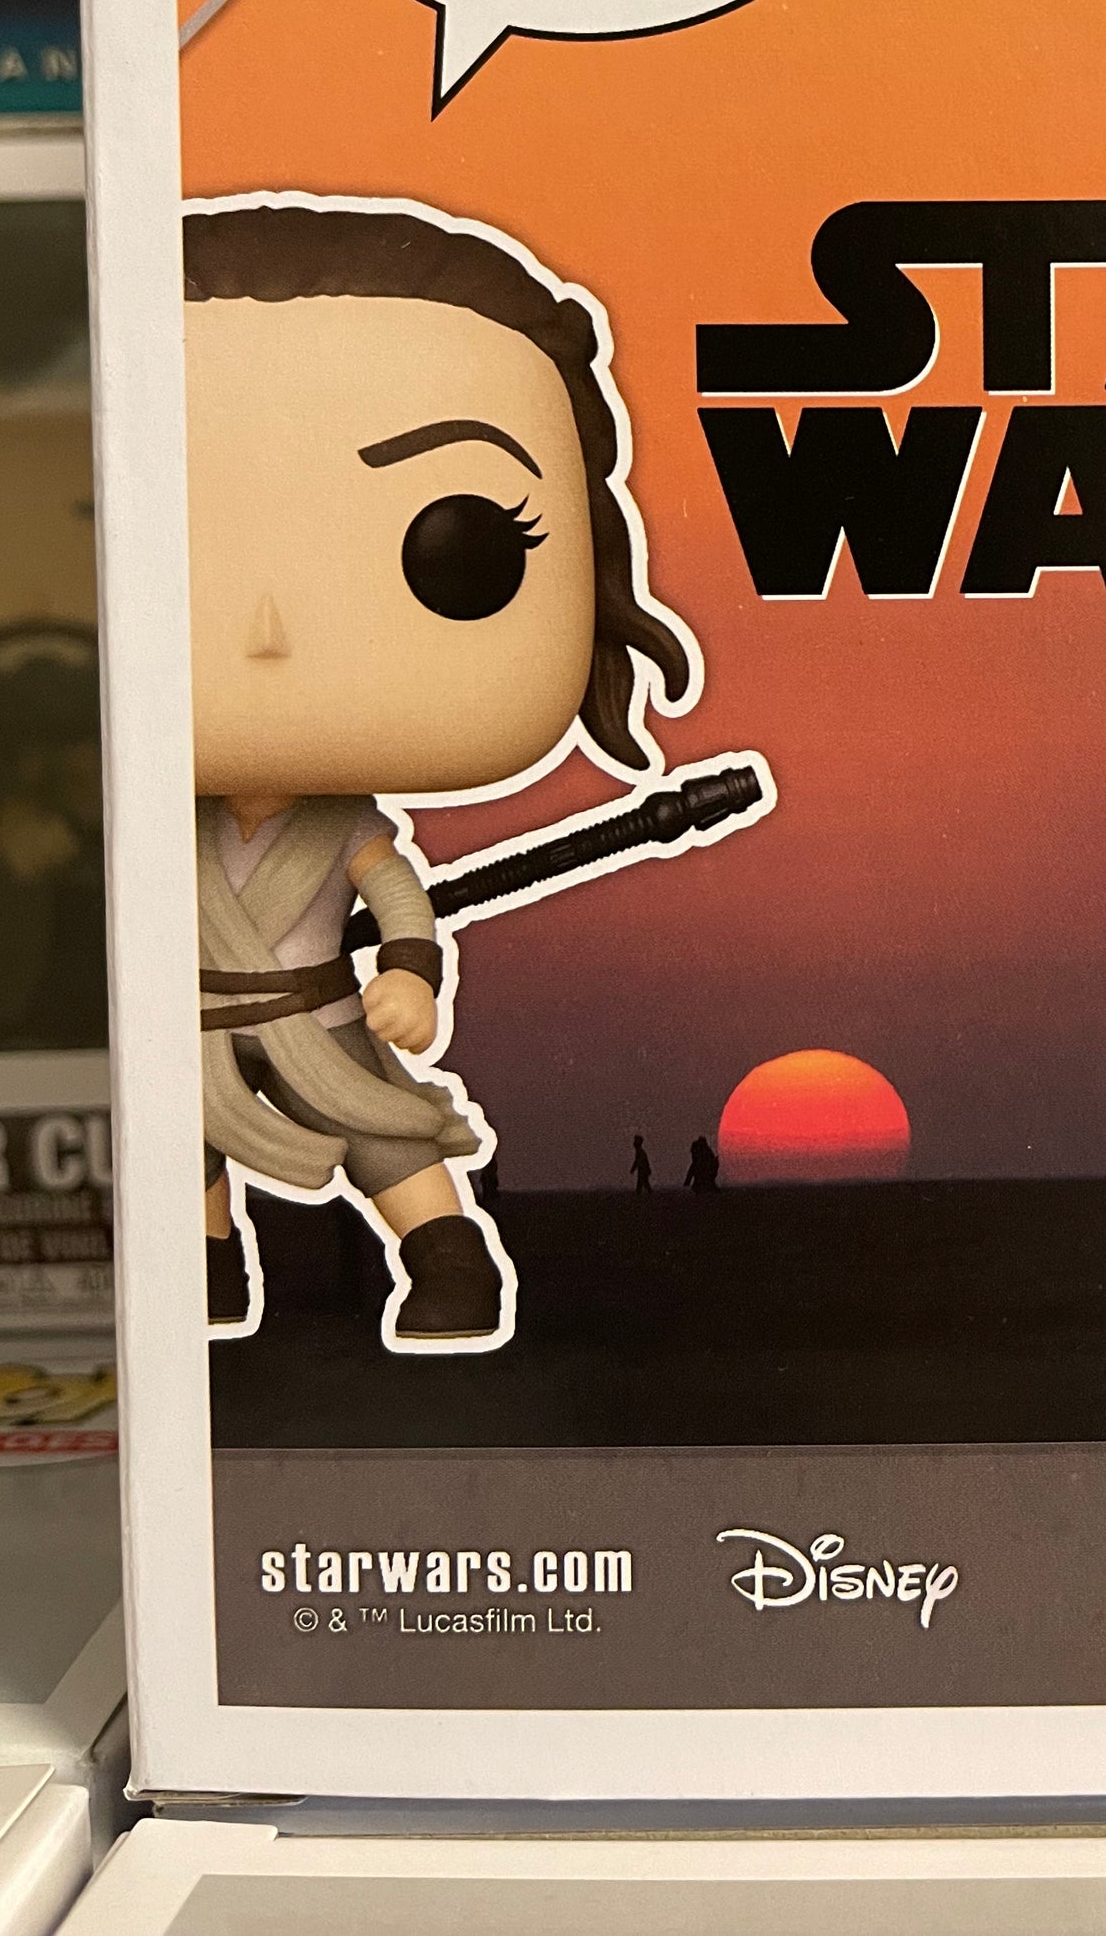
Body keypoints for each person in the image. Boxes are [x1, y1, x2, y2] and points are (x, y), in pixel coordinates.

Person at [186, 194, 715, 1351]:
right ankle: (207, 1272)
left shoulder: (340, 827)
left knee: (388, 1138)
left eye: (461, 545)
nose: (267, 632)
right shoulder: (152, 830)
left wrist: (412, 974)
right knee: (182, 1153)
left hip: (319, 1009)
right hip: (198, 1025)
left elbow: (396, 896)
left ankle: (447, 1262)